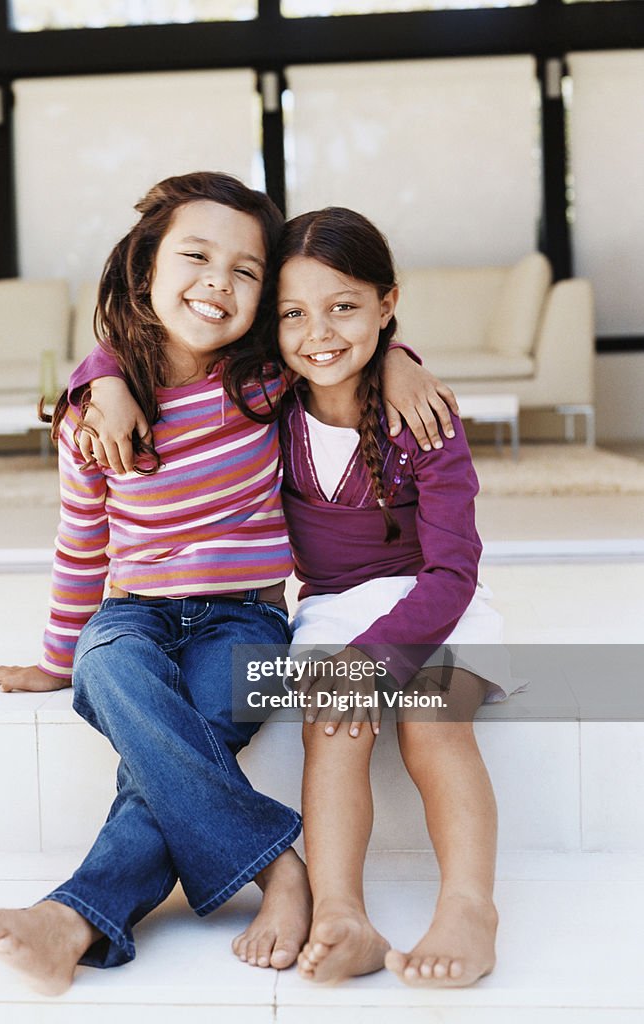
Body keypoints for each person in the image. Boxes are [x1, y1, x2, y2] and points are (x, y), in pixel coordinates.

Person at [0, 173, 457, 994]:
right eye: (196, 256)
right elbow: (81, 542)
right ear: (145, 266)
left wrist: (397, 358)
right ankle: (276, 866)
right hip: (132, 614)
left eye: (247, 271)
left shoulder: (263, 384)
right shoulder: (93, 416)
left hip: (241, 619)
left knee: (195, 725)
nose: (219, 281)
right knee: (108, 670)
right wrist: (56, 656)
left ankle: (68, 921)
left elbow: (335, 341)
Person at [273, 207, 523, 989]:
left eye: (343, 305)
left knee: (432, 720)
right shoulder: (267, 409)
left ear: (386, 304)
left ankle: (467, 908)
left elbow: (454, 571)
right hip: (335, 608)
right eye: (293, 313)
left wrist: (377, 657)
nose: (319, 330)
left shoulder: (423, 415)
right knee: (332, 727)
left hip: (438, 601)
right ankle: (340, 911)